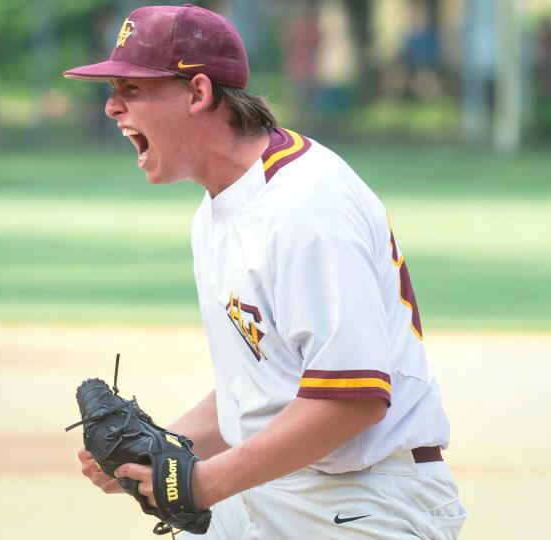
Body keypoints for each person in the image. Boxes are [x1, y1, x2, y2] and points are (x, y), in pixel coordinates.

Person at [63, 5, 465, 538]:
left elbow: (354, 399)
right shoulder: (216, 211)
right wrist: (159, 456)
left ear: (199, 93)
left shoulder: (305, 203)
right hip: (277, 489)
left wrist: (199, 485)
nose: (112, 107)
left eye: (132, 89)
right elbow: (257, 391)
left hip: (366, 501)